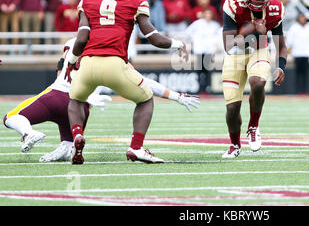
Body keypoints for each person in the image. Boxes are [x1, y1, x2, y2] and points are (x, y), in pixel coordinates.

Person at [65, 0, 189, 165]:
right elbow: (153, 38)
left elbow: (81, 39)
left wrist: (70, 62)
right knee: (146, 99)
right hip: (115, 64)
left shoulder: (88, 1)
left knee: (76, 99)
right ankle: (136, 147)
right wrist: (178, 44)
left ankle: (77, 136)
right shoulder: (135, 1)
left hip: (87, 63)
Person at [2, 36, 199, 162]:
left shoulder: (74, 41)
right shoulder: (112, 46)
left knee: (10, 117)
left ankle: (28, 133)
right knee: (70, 141)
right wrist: (176, 96)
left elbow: (63, 64)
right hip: (82, 106)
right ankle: (67, 147)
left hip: (58, 96)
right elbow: (143, 81)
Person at [221, 0, 287, 158]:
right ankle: (235, 145)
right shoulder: (232, 5)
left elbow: (281, 45)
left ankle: (253, 126)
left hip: (259, 51)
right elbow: (229, 46)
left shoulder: (276, 9)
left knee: (258, 82)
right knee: (232, 108)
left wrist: (281, 66)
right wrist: (253, 31)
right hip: (235, 56)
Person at [186, 7, 221, 93]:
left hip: (209, 50)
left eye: (209, 14)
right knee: (199, 69)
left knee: (208, 69)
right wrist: (192, 42)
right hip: (199, 49)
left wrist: (216, 46)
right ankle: (200, 87)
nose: (208, 16)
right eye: (206, 13)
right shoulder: (197, 24)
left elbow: (218, 37)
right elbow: (187, 32)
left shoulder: (215, 25)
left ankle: (207, 87)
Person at [286, 13, 309, 94]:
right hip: (297, 53)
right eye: (301, 17)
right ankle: (298, 91)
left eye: (304, 17)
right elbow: (289, 41)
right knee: (298, 73)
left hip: (307, 54)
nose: (303, 19)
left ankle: (305, 91)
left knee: (306, 73)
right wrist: (288, 50)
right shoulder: (294, 28)